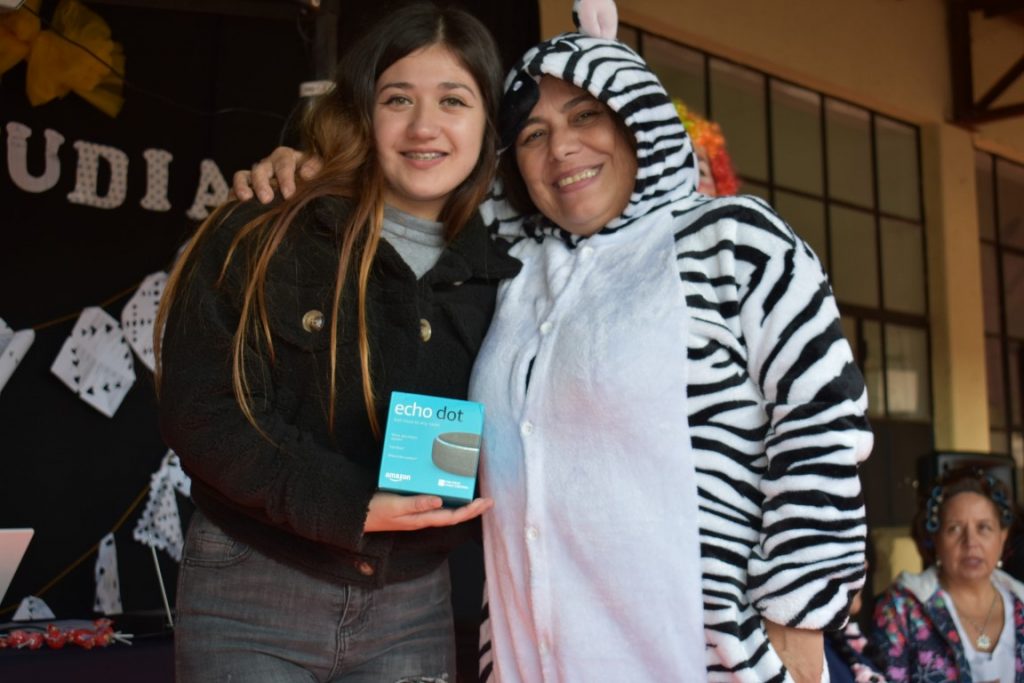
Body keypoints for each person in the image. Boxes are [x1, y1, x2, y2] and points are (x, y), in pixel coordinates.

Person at [237, 8, 873, 682]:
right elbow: (416, 187)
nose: (561, 148)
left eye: (585, 115)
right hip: (532, 662)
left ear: (637, 120)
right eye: (533, 133)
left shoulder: (732, 238)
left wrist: (799, 617)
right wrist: (317, 171)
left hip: (705, 658)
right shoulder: (508, 267)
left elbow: (822, 422)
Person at [153, 4, 522, 681]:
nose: (424, 126)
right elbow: (199, 409)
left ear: (487, 126)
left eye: (453, 100)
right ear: (362, 113)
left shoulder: (507, 278)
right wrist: (348, 503)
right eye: (397, 99)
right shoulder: (269, 225)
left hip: (414, 605)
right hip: (254, 588)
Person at [872, 467, 1024, 682]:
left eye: (984, 527)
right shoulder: (901, 609)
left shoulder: (1020, 603)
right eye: (955, 528)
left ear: (1002, 536)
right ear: (935, 538)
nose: (971, 542)